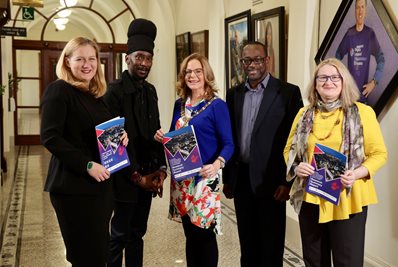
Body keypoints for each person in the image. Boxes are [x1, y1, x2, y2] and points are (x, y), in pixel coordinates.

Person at [284, 58, 387, 266]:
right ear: (315, 83)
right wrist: (297, 166)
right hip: (311, 196)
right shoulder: (304, 114)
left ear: (344, 81)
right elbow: (289, 150)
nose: (328, 81)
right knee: (314, 260)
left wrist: (356, 174)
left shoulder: (363, 113)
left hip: (348, 197)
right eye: (322, 77)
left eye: (334, 77)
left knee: (347, 261)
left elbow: (379, 154)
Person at [40, 37, 128, 267]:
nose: (87, 64)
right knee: (85, 256)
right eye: (80, 59)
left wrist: (120, 138)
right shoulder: (59, 90)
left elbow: (100, 133)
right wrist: (87, 164)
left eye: (92, 59)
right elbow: (50, 137)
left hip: (99, 188)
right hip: (73, 188)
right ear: (67, 61)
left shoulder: (94, 94)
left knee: (99, 254)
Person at [222, 41, 303, 266]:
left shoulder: (287, 92)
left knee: (271, 246)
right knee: (248, 246)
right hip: (242, 180)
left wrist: (288, 182)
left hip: (272, 182)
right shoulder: (234, 94)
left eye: (257, 59)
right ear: (241, 63)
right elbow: (231, 139)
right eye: (246, 60)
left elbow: (296, 141)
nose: (252, 65)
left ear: (267, 60)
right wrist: (228, 179)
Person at [154, 53, 234, 267]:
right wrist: (162, 138)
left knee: (204, 236)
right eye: (188, 71)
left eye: (198, 71)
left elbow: (229, 144)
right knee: (190, 234)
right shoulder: (179, 104)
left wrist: (217, 165)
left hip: (205, 180)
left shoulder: (217, 106)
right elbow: (174, 137)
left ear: (206, 74)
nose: (193, 75)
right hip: (182, 180)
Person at [103, 19, 167, 267]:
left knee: (138, 234)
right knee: (119, 235)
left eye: (148, 58)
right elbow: (111, 144)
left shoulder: (150, 91)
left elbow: (157, 133)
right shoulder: (114, 92)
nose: (144, 63)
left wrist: (160, 169)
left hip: (148, 175)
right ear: (127, 58)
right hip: (124, 177)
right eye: (139, 57)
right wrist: (136, 176)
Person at [335, 0, 384, 104]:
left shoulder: (369, 34)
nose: (360, 11)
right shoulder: (349, 33)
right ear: (354, 11)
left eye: (362, 7)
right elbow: (337, 56)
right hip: (348, 97)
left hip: (363, 98)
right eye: (358, 7)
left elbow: (381, 59)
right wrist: (340, 78)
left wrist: (374, 82)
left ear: (365, 11)